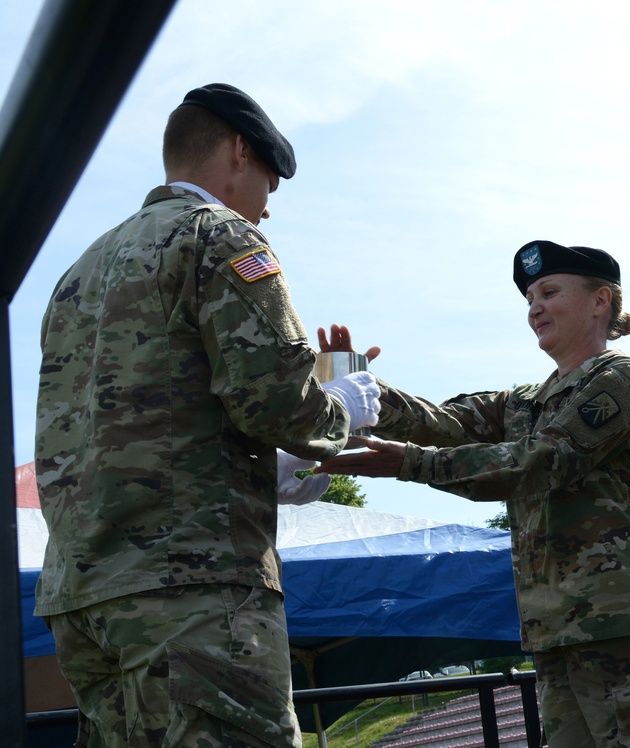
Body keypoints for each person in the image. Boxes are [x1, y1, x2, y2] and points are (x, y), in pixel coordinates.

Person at [33, 83, 380, 747]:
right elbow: (278, 405)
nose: (267, 212)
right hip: (190, 591)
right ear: (240, 152)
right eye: (270, 188)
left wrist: (275, 468)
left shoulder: (78, 272)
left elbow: (140, 429)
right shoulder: (219, 236)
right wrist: (347, 404)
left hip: (83, 597)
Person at [317, 241, 630, 747]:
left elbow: (541, 462)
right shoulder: (525, 400)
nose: (535, 308)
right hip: (557, 633)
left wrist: (411, 463)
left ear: (601, 301)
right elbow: (441, 421)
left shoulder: (621, 378)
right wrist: (355, 384)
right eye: (529, 297)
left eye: (549, 292)